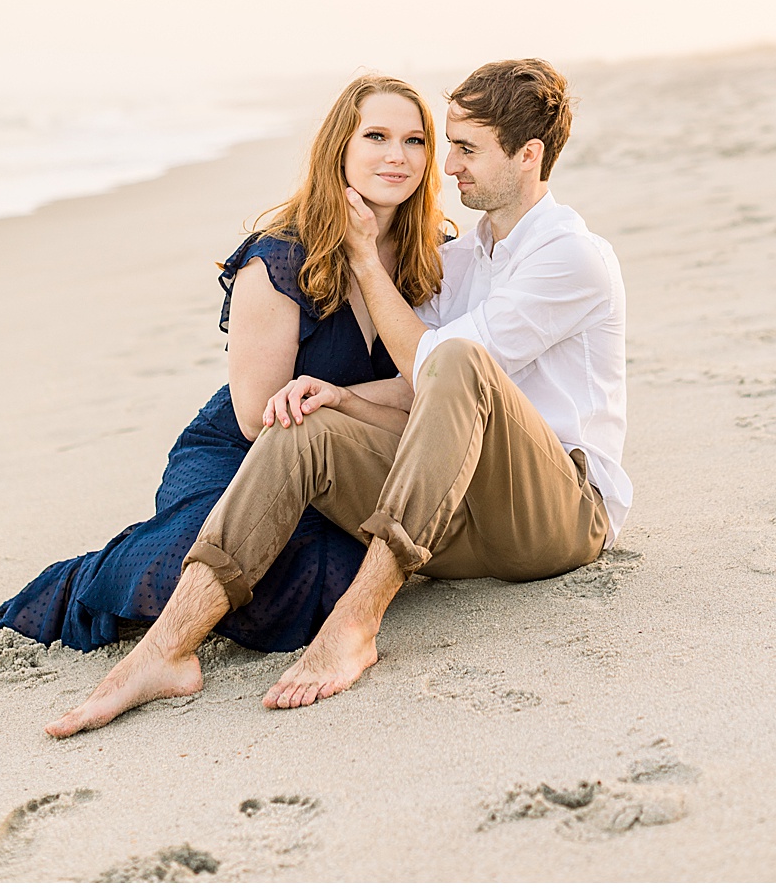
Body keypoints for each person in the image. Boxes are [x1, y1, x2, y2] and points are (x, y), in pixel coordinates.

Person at [48, 58, 626, 737]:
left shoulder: (571, 256)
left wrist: (362, 260)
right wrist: (335, 399)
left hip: (559, 516)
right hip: (457, 510)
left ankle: (356, 624)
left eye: (464, 150)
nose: (447, 167)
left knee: (457, 357)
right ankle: (165, 651)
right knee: (302, 424)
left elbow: (441, 367)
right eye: (446, 146)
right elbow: (425, 391)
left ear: (528, 156)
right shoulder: (462, 259)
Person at [0, 74, 452, 659]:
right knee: (216, 558)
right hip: (241, 456)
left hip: (347, 467)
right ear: (339, 146)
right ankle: (75, 589)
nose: (397, 156)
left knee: (331, 576)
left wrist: (343, 399)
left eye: (415, 141)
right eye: (377, 136)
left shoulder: (434, 254)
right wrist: (377, 398)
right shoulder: (280, 256)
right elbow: (255, 416)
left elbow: (435, 386)